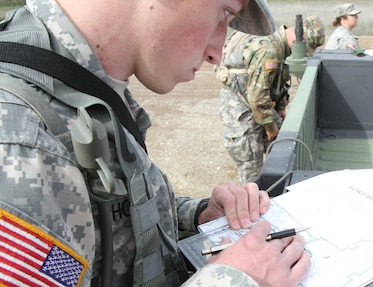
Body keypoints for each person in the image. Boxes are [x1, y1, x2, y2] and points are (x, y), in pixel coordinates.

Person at [0, 0, 311, 286]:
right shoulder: (20, 140)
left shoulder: (78, 87)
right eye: (224, 14)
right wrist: (233, 280)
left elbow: (105, 216)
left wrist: (198, 215)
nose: (216, 52)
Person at [217, 16, 325, 184]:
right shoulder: (269, 48)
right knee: (251, 169)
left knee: (282, 150)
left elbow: (276, 82)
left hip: (256, 108)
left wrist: (280, 107)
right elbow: (258, 96)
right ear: (300, 39)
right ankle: (251, 203)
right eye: (306, 48)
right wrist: (270, 127)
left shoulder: (277, 43)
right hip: (243, 112)